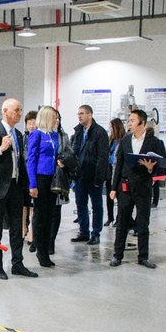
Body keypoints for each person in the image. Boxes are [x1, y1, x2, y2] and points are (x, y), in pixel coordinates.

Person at [0, 98, 38, 280]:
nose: (20, 113)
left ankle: (17, 264)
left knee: (17, 227)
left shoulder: (18, 134)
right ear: (5, 111)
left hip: (15, 187)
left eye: (20, 110)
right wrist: (0, 149)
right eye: (16, 110)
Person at [109, 109, 166, 269]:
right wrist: (114, 188)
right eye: (129, 120)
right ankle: (117, 255)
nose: (130, 123)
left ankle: (143, 257)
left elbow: (161, 168)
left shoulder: (155, 143)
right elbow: (118, 165)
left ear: (143, 123)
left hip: (143, 187)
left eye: (133, 120)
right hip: (125, 187)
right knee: (122, 222)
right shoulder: (125, 141)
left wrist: (150, 168)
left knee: (143, 224)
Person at [71, 105, 110, 245]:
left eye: (82, 113)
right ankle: (84, 232)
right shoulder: (78, 131)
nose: (80, 116)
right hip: (80, 175)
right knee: (80, 204)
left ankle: (96, 233)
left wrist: (99, 177)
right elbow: (74, 151)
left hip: (93, 175)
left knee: (96, 205)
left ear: (90, 115)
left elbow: (102, 157)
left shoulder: (99, 132)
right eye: (78, 113)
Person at [27, 106, 61, 268]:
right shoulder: (36, 134)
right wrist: (32, 184)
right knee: (40, 216)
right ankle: (40, 250)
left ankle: (46, 249)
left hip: (52, 179)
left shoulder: (54, 135)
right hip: (40, 178)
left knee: (50, 216)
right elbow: (31, 159)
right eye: (54, 117)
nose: (56, 120)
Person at [50, 112, 73, 255]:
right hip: (45, 177)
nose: (57, 120)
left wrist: (65, 161)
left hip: (59, 179)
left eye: (58, 118)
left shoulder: (64, 136)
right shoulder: (42, 135)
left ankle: (51, 241)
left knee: (56, 211)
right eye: (54, 118)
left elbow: (70, 153)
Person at [23, 110, 38, 252]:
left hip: (34, 175)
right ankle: (23, 229)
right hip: (23, 176)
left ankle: (32, 233)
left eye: (34, 123)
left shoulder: (39, 137)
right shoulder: (23, 138)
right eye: (29, 123)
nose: (31, 126)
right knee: (23, 205)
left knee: (33, 206)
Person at [107, 118, 126, 226]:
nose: (110, 129)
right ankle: (110, 217)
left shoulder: (123, 140)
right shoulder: (111, 139)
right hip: (109, 169)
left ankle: (120, 218)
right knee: (109, 194)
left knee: (119, 196)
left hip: (118, 169)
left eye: (112, 127)